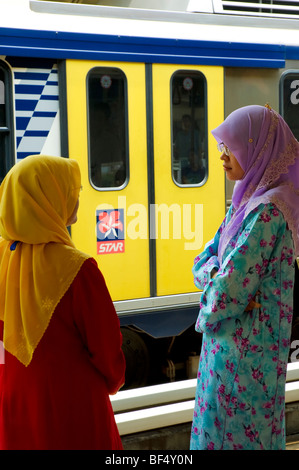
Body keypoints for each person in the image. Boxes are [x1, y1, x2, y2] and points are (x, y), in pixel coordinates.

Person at [190, 105, 299, 450]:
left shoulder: (268, 211)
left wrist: (216, 281)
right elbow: (202, 262)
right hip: (229, 349)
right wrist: (214, 276)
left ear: (258, 149)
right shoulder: (244, 204)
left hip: (244, 359)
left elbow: (225, 293)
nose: (223, 156)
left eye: (231, 146)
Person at [0, 155, 125, 450]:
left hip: (12, 396)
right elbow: (106, 346)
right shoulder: (77, 268)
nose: (78, 198)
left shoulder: (3, 257)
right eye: (72, 191)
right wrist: (113, 381)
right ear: (49, 198)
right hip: (70, 402)